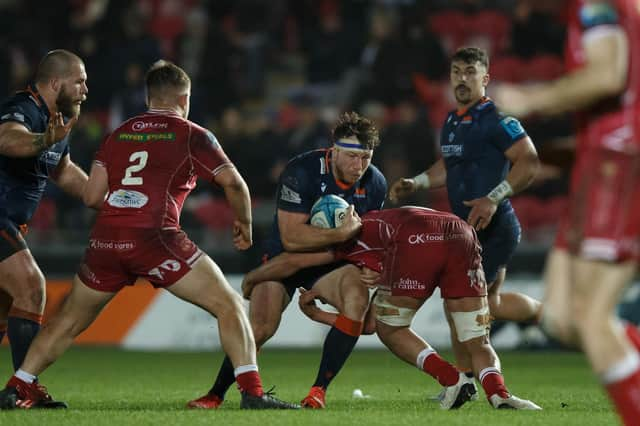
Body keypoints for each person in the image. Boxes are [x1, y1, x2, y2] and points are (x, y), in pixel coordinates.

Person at [0, 60, 298, 410]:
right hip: (156, 237)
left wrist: (124, 207)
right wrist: (244, 225)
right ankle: (253, 392)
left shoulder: (118, 134)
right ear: (184, 99)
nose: (85, 88)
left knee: (67, 321)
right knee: (228, 304)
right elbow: (232, 182)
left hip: (106, 240)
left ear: (148, 97)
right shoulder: (192, 133)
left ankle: (18, 385)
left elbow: (93, 196)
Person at [494, 1, 640, 424]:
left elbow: (607, 74)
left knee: (593, 322)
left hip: (619, 160)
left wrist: (529, 97)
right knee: (561, 318)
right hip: (600, 160)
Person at [242, 206, 542, 410]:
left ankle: (452, 379)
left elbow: (372, 324)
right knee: (476, 338)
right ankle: (498, 393)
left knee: (391, 327)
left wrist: (253, 278)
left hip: (417, 240)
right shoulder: (377, 221)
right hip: (459, 232)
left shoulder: (347, 241)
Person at [188, 112, 387, 409]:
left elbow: (367, 239)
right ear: (333, 151)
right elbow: (293, 239)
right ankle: (215, 393)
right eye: (351, 157)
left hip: (330, 262)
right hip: (284, 256)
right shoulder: (302, 171)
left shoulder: (375, 183)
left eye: (366, 158)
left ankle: (318, 391)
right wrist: (340, 233)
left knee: (357, 298)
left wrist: (373, 266)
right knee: (261, 327)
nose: (358, 166)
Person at [388, 47, 541, 394]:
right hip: (467, 229)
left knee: (462, 303)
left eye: (470, 71)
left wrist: (493, 197)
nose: (461, 77)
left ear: (484, 78)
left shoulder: (497, 118)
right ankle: (547, 316)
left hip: (495, 226)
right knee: (488, 304)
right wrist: (419, 182)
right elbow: (449, 165)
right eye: (456, 71)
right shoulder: (453, 120)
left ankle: (464, 380)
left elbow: (528, 161)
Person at [0, 50, 88, 373]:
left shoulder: (58, 123)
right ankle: (24, 387)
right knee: (32, 287)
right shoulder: (22, 107)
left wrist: (109, 199)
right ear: (55, 83)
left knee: (4, 306)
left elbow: (64, 172)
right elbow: (8, 139)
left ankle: (19, 389)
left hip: (11, 225)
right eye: (79, 82)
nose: (85, 90)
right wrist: (44, 139)